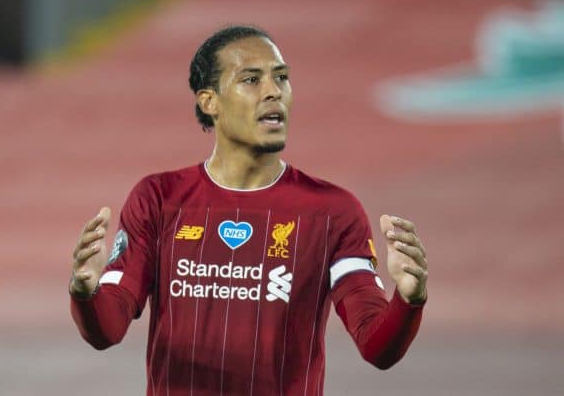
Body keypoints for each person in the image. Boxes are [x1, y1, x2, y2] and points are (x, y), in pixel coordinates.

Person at [69, 25, 428, 395]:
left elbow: (376, 346)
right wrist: (84, 292)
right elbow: (107, 329)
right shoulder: (159, 199)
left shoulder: (332, 212)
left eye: (282, 78)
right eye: (251, 79)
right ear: (210, 102)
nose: (274, 91)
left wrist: (409, 299)